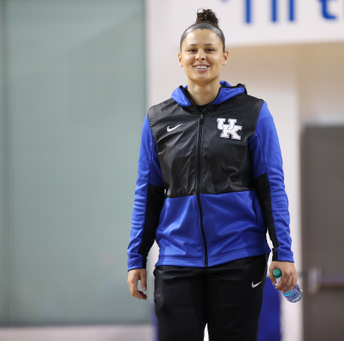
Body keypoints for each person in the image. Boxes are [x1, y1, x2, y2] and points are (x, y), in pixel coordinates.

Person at [126, 9, 297, 341]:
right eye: (192, 50)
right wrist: (136, 258)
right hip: (178, 260)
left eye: (209, 49)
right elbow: (147, 194)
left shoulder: (253, 113)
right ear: (180, 57)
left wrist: (284, 252)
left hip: (239, 258)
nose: (200, 56)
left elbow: (271, 187)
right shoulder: (158, 119)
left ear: (224, 56)